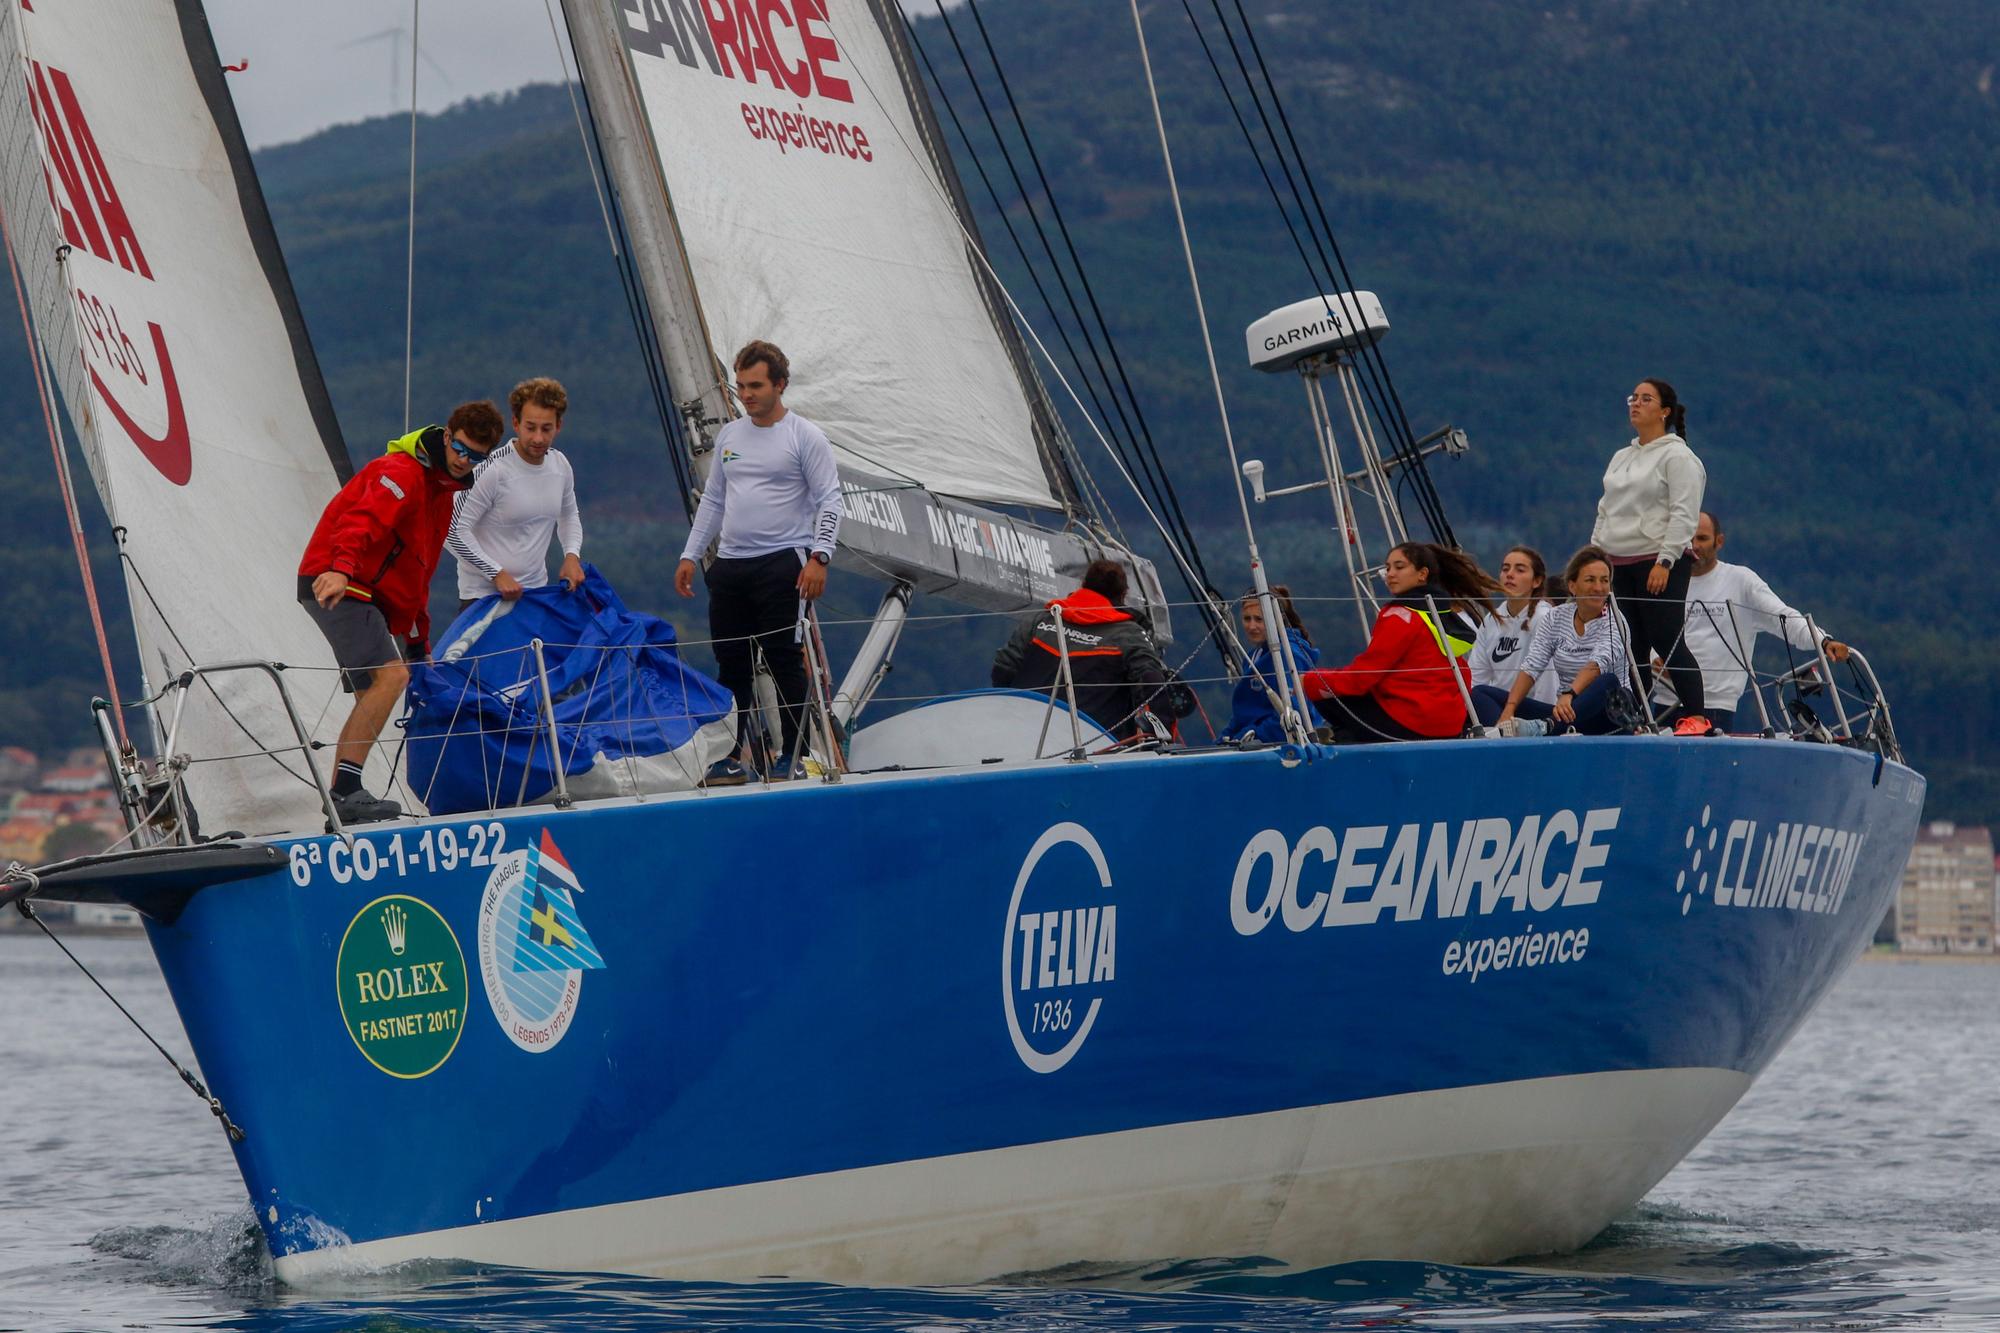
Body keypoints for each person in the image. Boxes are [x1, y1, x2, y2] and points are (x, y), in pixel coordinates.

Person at [297, 403, 502, 822]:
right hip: (338, 581)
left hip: (364, 592)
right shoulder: (403, 472)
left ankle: (344, 804)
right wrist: (340, 569)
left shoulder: (442, 494)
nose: (466, 461)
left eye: (477, 456)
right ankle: (345, 792)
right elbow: (360, 521)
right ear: (447, 436)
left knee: (375, 691)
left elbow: (418, 574)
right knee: (391, 677)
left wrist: (418, 643)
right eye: (461, 448)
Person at [674, 341, 842, 784]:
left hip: (785, 561)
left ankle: (798, 754)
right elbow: (714, 499)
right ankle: (730, 755)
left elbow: (829, 501)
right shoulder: (731, 435)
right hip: (731, 565)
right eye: (740, 386)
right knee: (732, 664)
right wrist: (691, 554)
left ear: (779, 385)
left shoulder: (804, 436)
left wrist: (820, 557)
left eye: (755, 386)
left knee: (784, 659)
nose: (746, 394)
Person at [1649, 511, 1850, 732]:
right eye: (1689, 539)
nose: (1694, 546)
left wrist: (1823, 641)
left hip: (1716, 707)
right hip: (1664, 704)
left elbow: (1783, 617)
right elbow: (1640, 631)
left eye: (1702, 538)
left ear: (1719, 541)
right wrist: (1653, 659)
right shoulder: (1663, 580)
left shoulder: (1740, 581)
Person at [1591, 377, 1709, 734]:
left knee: (1666, 638)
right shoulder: (1620, 456)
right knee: (1633, 645)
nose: (1635, 404)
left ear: (1665, 412)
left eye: (1645, 399)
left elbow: (1684, 513)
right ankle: (1639, 718)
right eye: (1633, 398)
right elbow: (1605, 510)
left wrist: (1666, 559)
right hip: (1618, 561)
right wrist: (1595, 558)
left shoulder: (1678, 456)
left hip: (1658, 560)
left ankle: (1697, 717)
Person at [1297, 542, 1492, 743]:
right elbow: (1463, 672)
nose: (1390, 574)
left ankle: (1347, 741)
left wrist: (1310, 680)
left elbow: (1364, 676)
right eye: (1388, 568)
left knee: (1326, 695)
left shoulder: (1399, 615)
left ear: (1422, 574)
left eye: (1399, 567)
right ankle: (1348, 736)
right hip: (1449, 724)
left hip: (1412, 722)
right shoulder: (1443, 613)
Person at [991, 559, 1171, 740]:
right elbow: (1152, 686)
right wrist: (1162, 737)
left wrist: (1009, 711)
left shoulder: (1041, 620)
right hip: (1095, 744)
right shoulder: (1131, 636)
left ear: (1083, 585)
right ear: (1123, 595)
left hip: (1023, 733)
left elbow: (1003, 669)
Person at [447, 377, 585, 614]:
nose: (538, 438)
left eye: (547, 428)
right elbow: (452, 531)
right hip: (483, 600)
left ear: (558, 426)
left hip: (535, 597)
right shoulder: (491, 469)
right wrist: (496, 574)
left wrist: (572, 555)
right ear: (516, 423)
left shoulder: (560, 464)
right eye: (530, 427)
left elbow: (569, 515)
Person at [1474, 546, 1633, 737]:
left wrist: (1569, 693)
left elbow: (1597, 664)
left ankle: (1543, 729)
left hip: (1610, 714)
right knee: (1481, 694)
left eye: (1604, 581)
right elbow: (1532, 665)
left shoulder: (1615, 619)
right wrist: (1509, 710)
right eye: (1590, 580)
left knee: (1608, 681)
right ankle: (1503, 736)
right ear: (1573, 586)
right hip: (1565, 713)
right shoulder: (1555, 617)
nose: (1598, 588)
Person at [1221, 586, 1321, 743]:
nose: (1251, 626)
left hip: (1279, 743)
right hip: (1250, 740)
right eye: (1247, 619)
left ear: (1277, 620)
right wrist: (1223, 740)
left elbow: (1295, 714)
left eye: (1259, 619)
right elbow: (1243, 715)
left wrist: (1251, 736)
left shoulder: (1288, 655)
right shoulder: (1253, 656)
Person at [1468, 545, 1559, 708]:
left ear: (1536, 581)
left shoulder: (1545, 618)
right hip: (1499, 704)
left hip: (1535, 708)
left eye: (1520, 570)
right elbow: (1476, 676)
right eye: (1505, 569)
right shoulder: (1491, 620)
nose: (1510, 575)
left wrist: (1544, 724)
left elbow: (1549, 682)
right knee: (1477, 694)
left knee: (1481, 693)